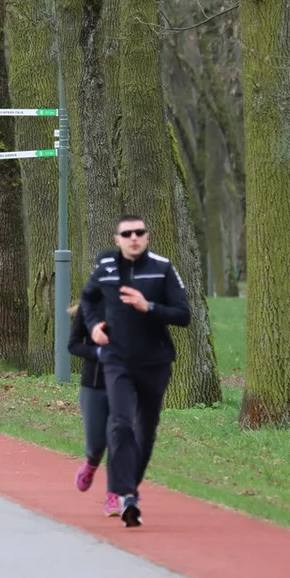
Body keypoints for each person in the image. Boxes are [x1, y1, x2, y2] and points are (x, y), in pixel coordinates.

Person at [80, 215, 191, 528]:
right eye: (126, 233)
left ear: (147, 236)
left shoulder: (162, 268)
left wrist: (149, 307)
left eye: (139, 232)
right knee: (121, 421)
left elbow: (184, 315)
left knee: (145, 429)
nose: (133, 238)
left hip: (154, 362)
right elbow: (88, 299)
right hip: (117, 360)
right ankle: (127, 495)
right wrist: (95, 327)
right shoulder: (105, 269)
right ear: (117, 239)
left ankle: (129, 487)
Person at [68, 296, 119, 518]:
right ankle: (91, 463)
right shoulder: (89, 308)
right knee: (97, 443)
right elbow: (73, 345)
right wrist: (97, 353)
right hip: (94, 385)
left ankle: (113, 497)